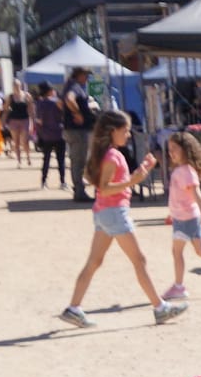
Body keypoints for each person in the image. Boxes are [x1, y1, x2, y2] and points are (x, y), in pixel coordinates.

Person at [58, 110, 186, 328]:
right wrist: (134, 179)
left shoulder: (108, 154)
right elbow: (105, 188)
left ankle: (74, 308)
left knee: (95, 262)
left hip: (105, 213)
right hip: (114, 212)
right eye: (125, 131)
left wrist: (140, 172)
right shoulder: (112, 156)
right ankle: (159, 307)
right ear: (112, 131)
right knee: (139, 260)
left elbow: (109, 185)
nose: (128, 135)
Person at [161, 131, 201, 300]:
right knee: (188, 251)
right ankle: (179, 286)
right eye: (169, 149)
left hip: (188, 219)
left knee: (197, 251)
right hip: (181, 218)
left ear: (186, 150)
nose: (171, 153)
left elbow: (196, 193)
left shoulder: (186, 171)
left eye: (174, 149)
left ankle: (180, 286)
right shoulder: (182, 170)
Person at [61, 68, 96, 202]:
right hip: (77, 130)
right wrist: (77, 113)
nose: (87, 78)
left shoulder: (69, 85)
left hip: (72, 129)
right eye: (86, 75)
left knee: (77, 160)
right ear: (80, 75)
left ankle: (79, 190)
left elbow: (60, 103)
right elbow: (69, 99)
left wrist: (67, 115)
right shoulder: (74, 87)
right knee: (79, 161)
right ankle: (79, 192)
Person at [32, 83, 67, 188]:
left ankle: (43, 181)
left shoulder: (39, 103)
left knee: (46, 158)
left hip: (46, 135)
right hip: (59, 133)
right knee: (61, 159)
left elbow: (39, 120)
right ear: (50, 91)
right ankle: (62, 181)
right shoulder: (57, 102)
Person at [5, 80, 32, 165]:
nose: (17, 87)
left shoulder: (27, 95)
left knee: (25, 140)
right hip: (14, 120)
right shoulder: (10, 97)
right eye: (15, 85)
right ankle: (19, 160)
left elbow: (30, 109)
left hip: (25, 120)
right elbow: (5, 108)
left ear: (21, 85)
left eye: (18, 85)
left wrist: (31, 121)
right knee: (16, 141)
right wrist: (4, 120)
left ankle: (28, 157)